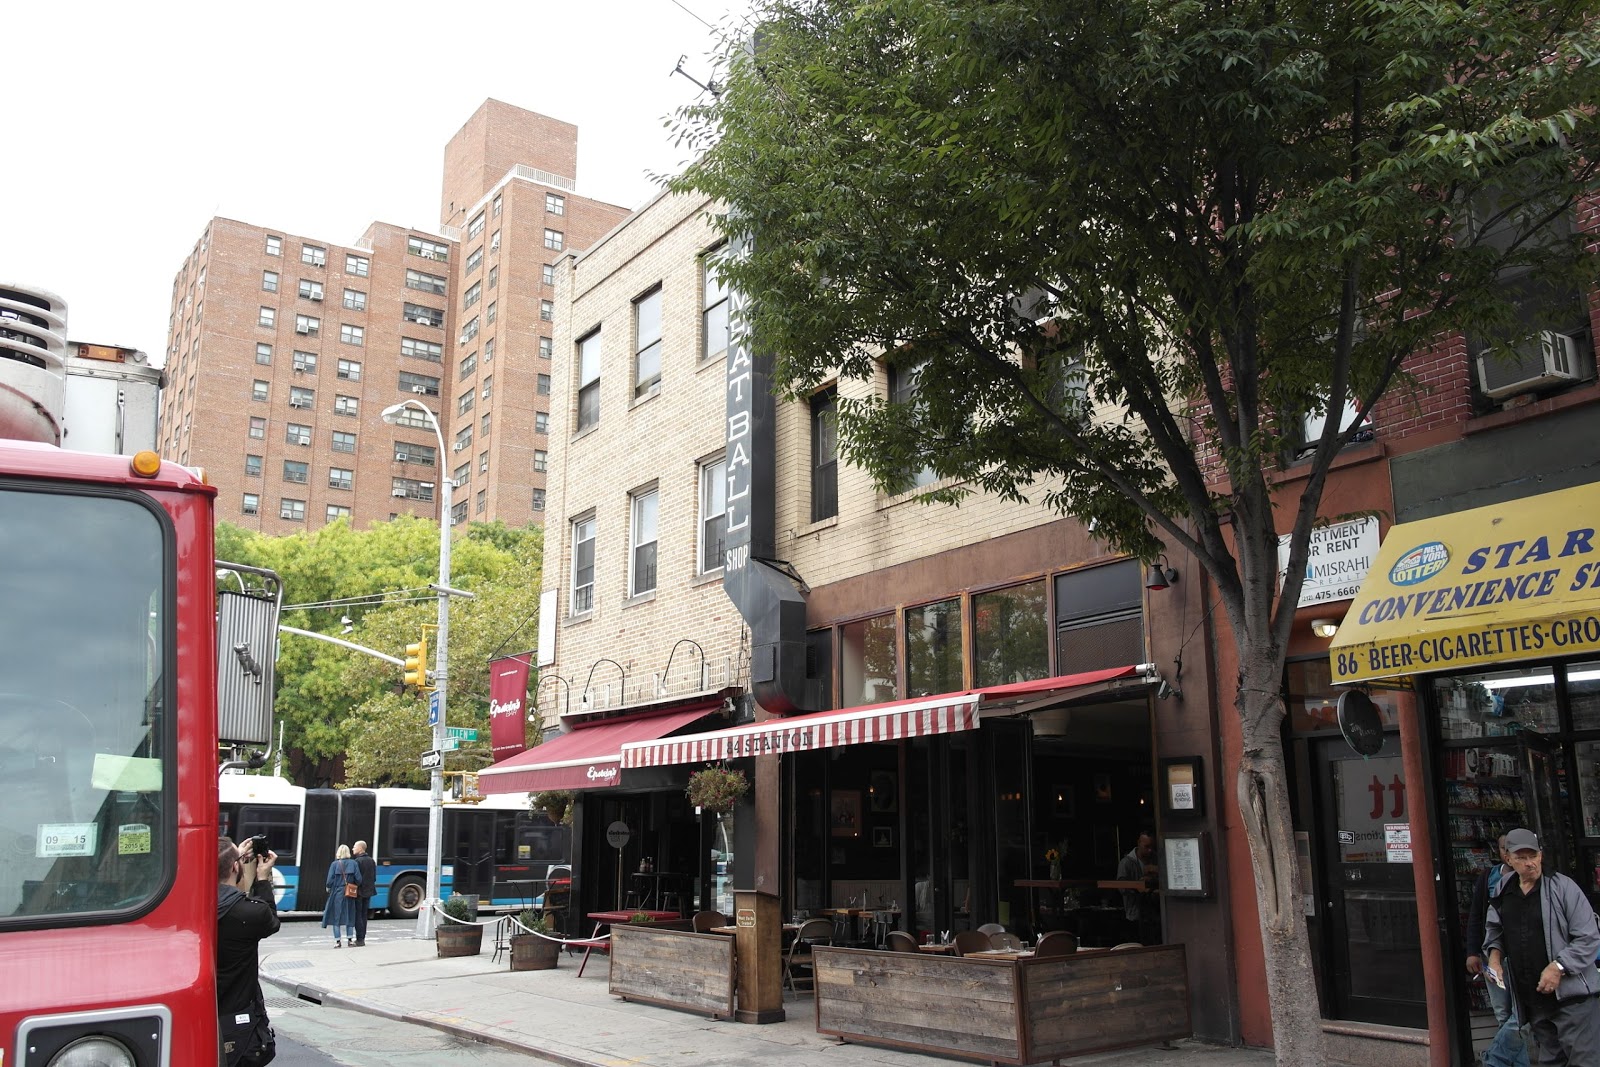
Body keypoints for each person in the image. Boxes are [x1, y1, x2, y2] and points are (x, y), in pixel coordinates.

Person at [1485, 827, 1600, 1066]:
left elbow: (1588, 937)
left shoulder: (1563, 887)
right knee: (1550, 1061)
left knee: (1585, 1061)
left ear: (1541, 855)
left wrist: (1559, 966)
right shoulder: (1503, 890)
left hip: (1572, 999)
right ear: (1508, 858)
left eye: (1533, 856)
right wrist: (1494, 960)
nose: (1530, 863)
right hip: (1533, 998)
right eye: (1521, 857)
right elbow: (1495, 931)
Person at [218, 836, 279, 1067]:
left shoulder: (192, 907)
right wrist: (262, 878)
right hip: (240, 1019)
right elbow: (271, 921)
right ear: (236, 867)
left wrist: (232, 857)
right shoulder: (250, 913)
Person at [1117, 831, 1160, 945]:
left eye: (1152, 847)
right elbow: (1121, 887)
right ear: (1139, 843)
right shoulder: (1126, 863)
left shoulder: (1156, 859)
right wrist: (1138, 887)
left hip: (1156, 915)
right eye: (1146, 847)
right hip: (1136, 915)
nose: (1150, 850)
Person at [321, 843, 359, 947]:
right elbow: (359, 879)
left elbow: (329, 881)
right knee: (350, 914)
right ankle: (350, 940)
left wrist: (329, 887)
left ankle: (338, 942)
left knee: (336, 916)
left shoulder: (334, 864)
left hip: (337, 892)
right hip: (349, 892)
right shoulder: (354, 863)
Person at [351, 839, 377, 946]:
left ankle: (359, 939)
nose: (353, 848)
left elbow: (356, 878)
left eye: (354, 847)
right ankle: (363, 937)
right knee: (364, 915)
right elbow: (374, 878)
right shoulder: (371, 861)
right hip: (369, 891)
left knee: (358, 915)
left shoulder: (357, 862)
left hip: (359, 891)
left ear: (360, 848)